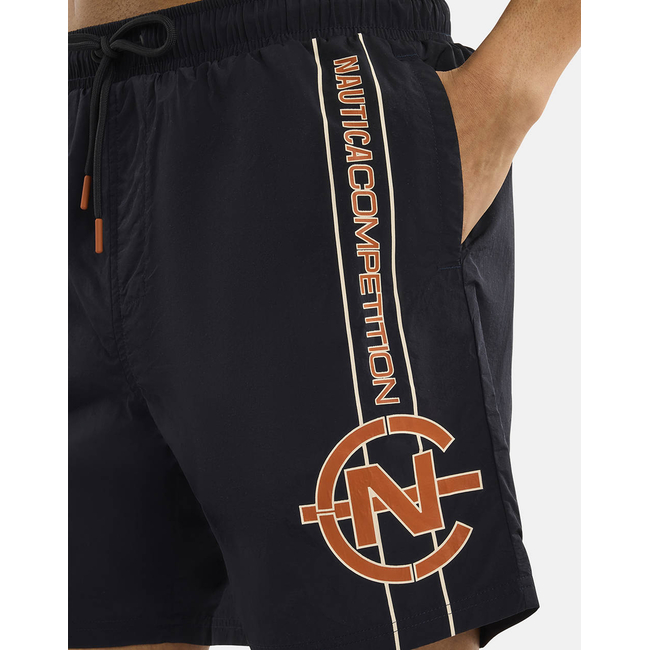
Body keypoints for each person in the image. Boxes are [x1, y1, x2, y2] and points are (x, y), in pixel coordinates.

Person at [68, 1, 580, 649]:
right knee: (107, 622)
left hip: (313, 94)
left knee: (380, 609)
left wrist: (508, 93)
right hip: (83, 113)